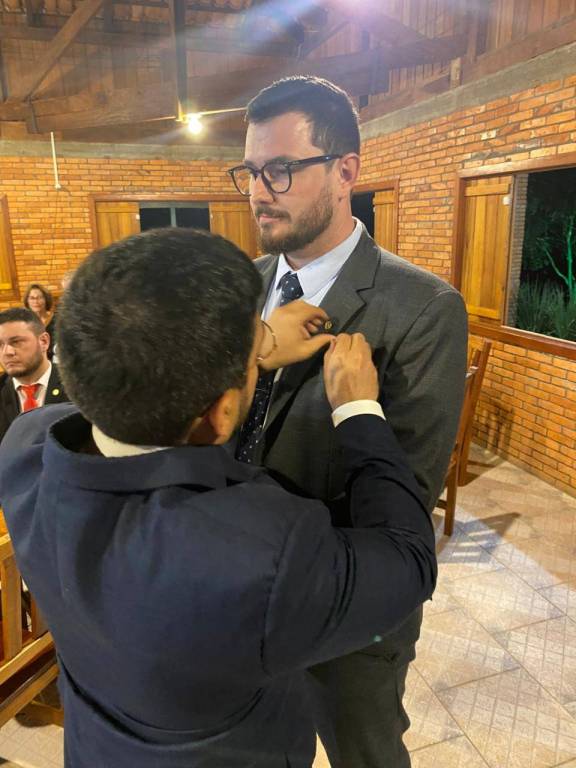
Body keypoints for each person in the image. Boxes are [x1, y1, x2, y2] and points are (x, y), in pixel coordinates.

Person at [0, 228, 436, 768]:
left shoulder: (26, 448)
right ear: (221, 415)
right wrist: (357, 409)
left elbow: (112, 400)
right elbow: (410, 558)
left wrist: (257, 348)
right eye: (251, 365)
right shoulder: (261, 558)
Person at [229, 76, 468, 767]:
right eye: (250, 171)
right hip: (231, 589)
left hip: (346, 608)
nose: (258, 191)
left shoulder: (422, 307)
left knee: (365, 753)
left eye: (280, 169)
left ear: (345, 172)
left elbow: (403, 495)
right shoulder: (239, 286)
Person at [0, 307, 68, 444]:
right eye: (0, 344)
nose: (7, 352)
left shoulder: (78, 386)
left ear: (44, 341)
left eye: (16, 342)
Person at [23, 282, 56, 358]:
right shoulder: (24, 322)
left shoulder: (57, 320)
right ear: (27, 301)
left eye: (40, 297)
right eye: (32, 298)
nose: (36, 302)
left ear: (46, 299)